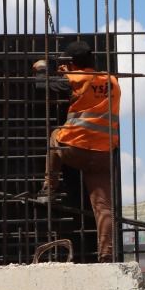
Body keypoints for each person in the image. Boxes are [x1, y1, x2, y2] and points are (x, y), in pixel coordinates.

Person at [30, 41, 120, 263]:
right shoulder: (112, 81)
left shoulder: (74, 79)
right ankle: (106, 256)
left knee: (55, 135)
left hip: (74, 148)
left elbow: (43, 84)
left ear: (71, 63)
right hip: (103, 153)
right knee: (103, 208)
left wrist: (42, 67)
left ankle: (49, 188)